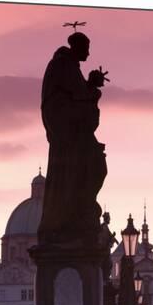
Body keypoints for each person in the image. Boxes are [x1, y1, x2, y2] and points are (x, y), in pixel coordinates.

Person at [37, 31, 109, 246]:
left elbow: (78, 96)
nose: (88, 52)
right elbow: (70, 101)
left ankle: (80, 212)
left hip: (74, 137)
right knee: (90, 170)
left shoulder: (69, 68)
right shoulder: (62, 66)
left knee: (95, 169)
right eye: (86, 48)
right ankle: (73, 218)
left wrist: (90, 86)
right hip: (68, 139)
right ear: (77, 47)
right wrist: (92, 88)